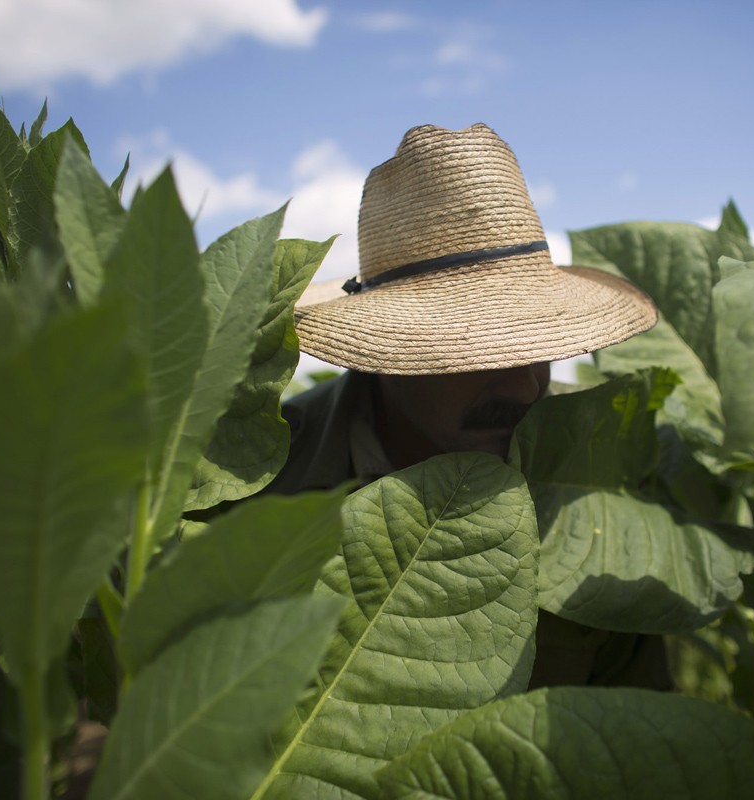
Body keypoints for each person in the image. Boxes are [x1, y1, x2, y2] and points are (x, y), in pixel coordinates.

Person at [268, 123, 667, 688]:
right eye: (482, 349)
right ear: (388, 352)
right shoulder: (263, 481)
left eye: (539, 345)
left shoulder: (591, 478)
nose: (526, 387)